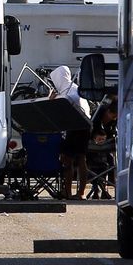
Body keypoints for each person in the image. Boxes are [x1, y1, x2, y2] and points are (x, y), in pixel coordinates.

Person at [49, 66, 91, 200]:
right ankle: (81, 192)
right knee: (81, 159)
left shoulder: (67, 92)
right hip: (85, 126)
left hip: (73, 127)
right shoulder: (75, 88)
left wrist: (52, 101)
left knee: (68, 159)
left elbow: (59, 112)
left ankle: (68, 192)